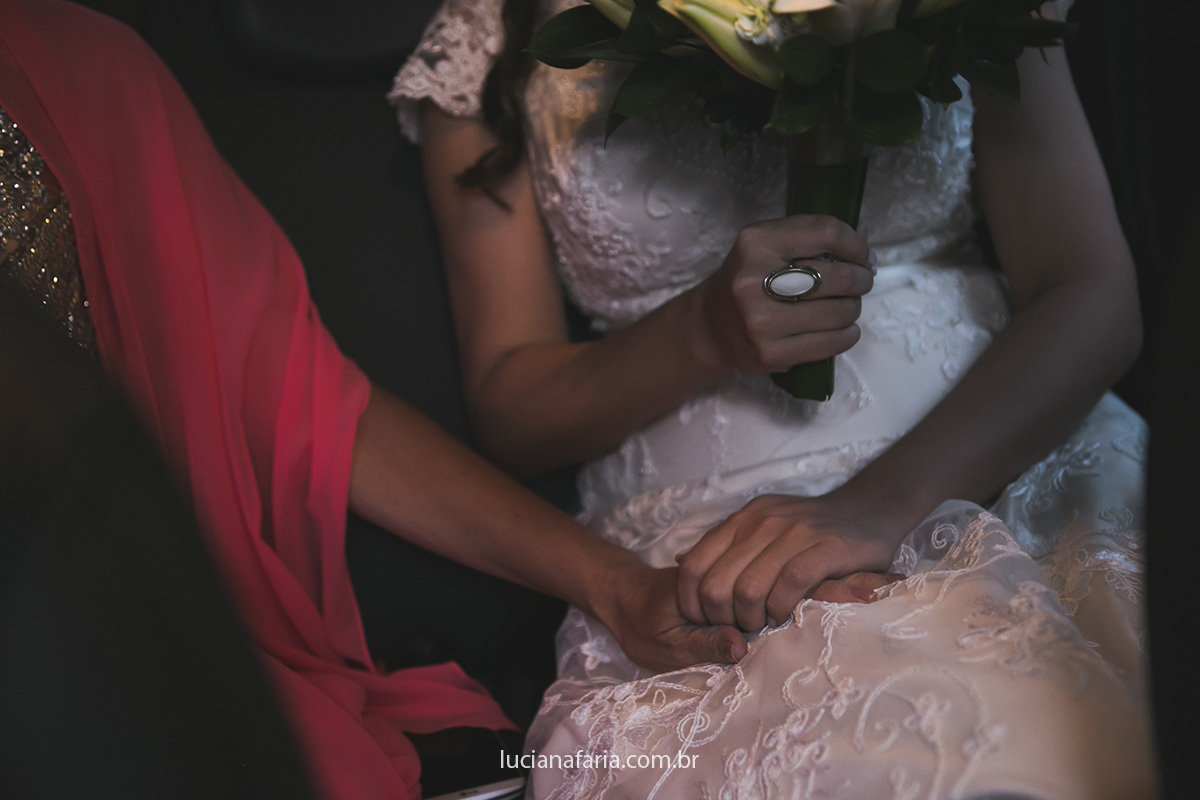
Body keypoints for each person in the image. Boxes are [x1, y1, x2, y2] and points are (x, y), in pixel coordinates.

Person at [391, 0, 1157, 797]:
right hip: (711, 520)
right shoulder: (493, 32)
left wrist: (879, 504)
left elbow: (1091, 291)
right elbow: (510, 409)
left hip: (1013, 438)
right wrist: (702, 333)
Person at [0, 2, 749, 799]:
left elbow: (313, 404)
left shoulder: (80, 70)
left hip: (90, 650)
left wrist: (618, 585)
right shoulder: (480, 53)